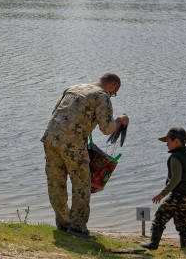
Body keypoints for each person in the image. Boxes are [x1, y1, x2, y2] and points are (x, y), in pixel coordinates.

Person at [40, 73, 129, 238]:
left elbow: (55, 112)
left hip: (50, 139)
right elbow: (107, 128)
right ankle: (78, 227)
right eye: (114, 92)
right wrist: (121, 120)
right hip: (72, 143)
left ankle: (63, 223)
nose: (112, 95)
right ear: (112, 87)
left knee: (55, 183)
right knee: (82, 184)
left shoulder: (74, 88)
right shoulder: (102, 96)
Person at [141, 127, 186, 250]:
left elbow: (175, 179)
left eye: (168, 141)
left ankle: (153, 244)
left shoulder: (175, 157)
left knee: (160, 216)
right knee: (183, 223)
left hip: (179, 196)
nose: (166, 144)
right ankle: (185, 247)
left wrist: (162, 194)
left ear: (176, 141)